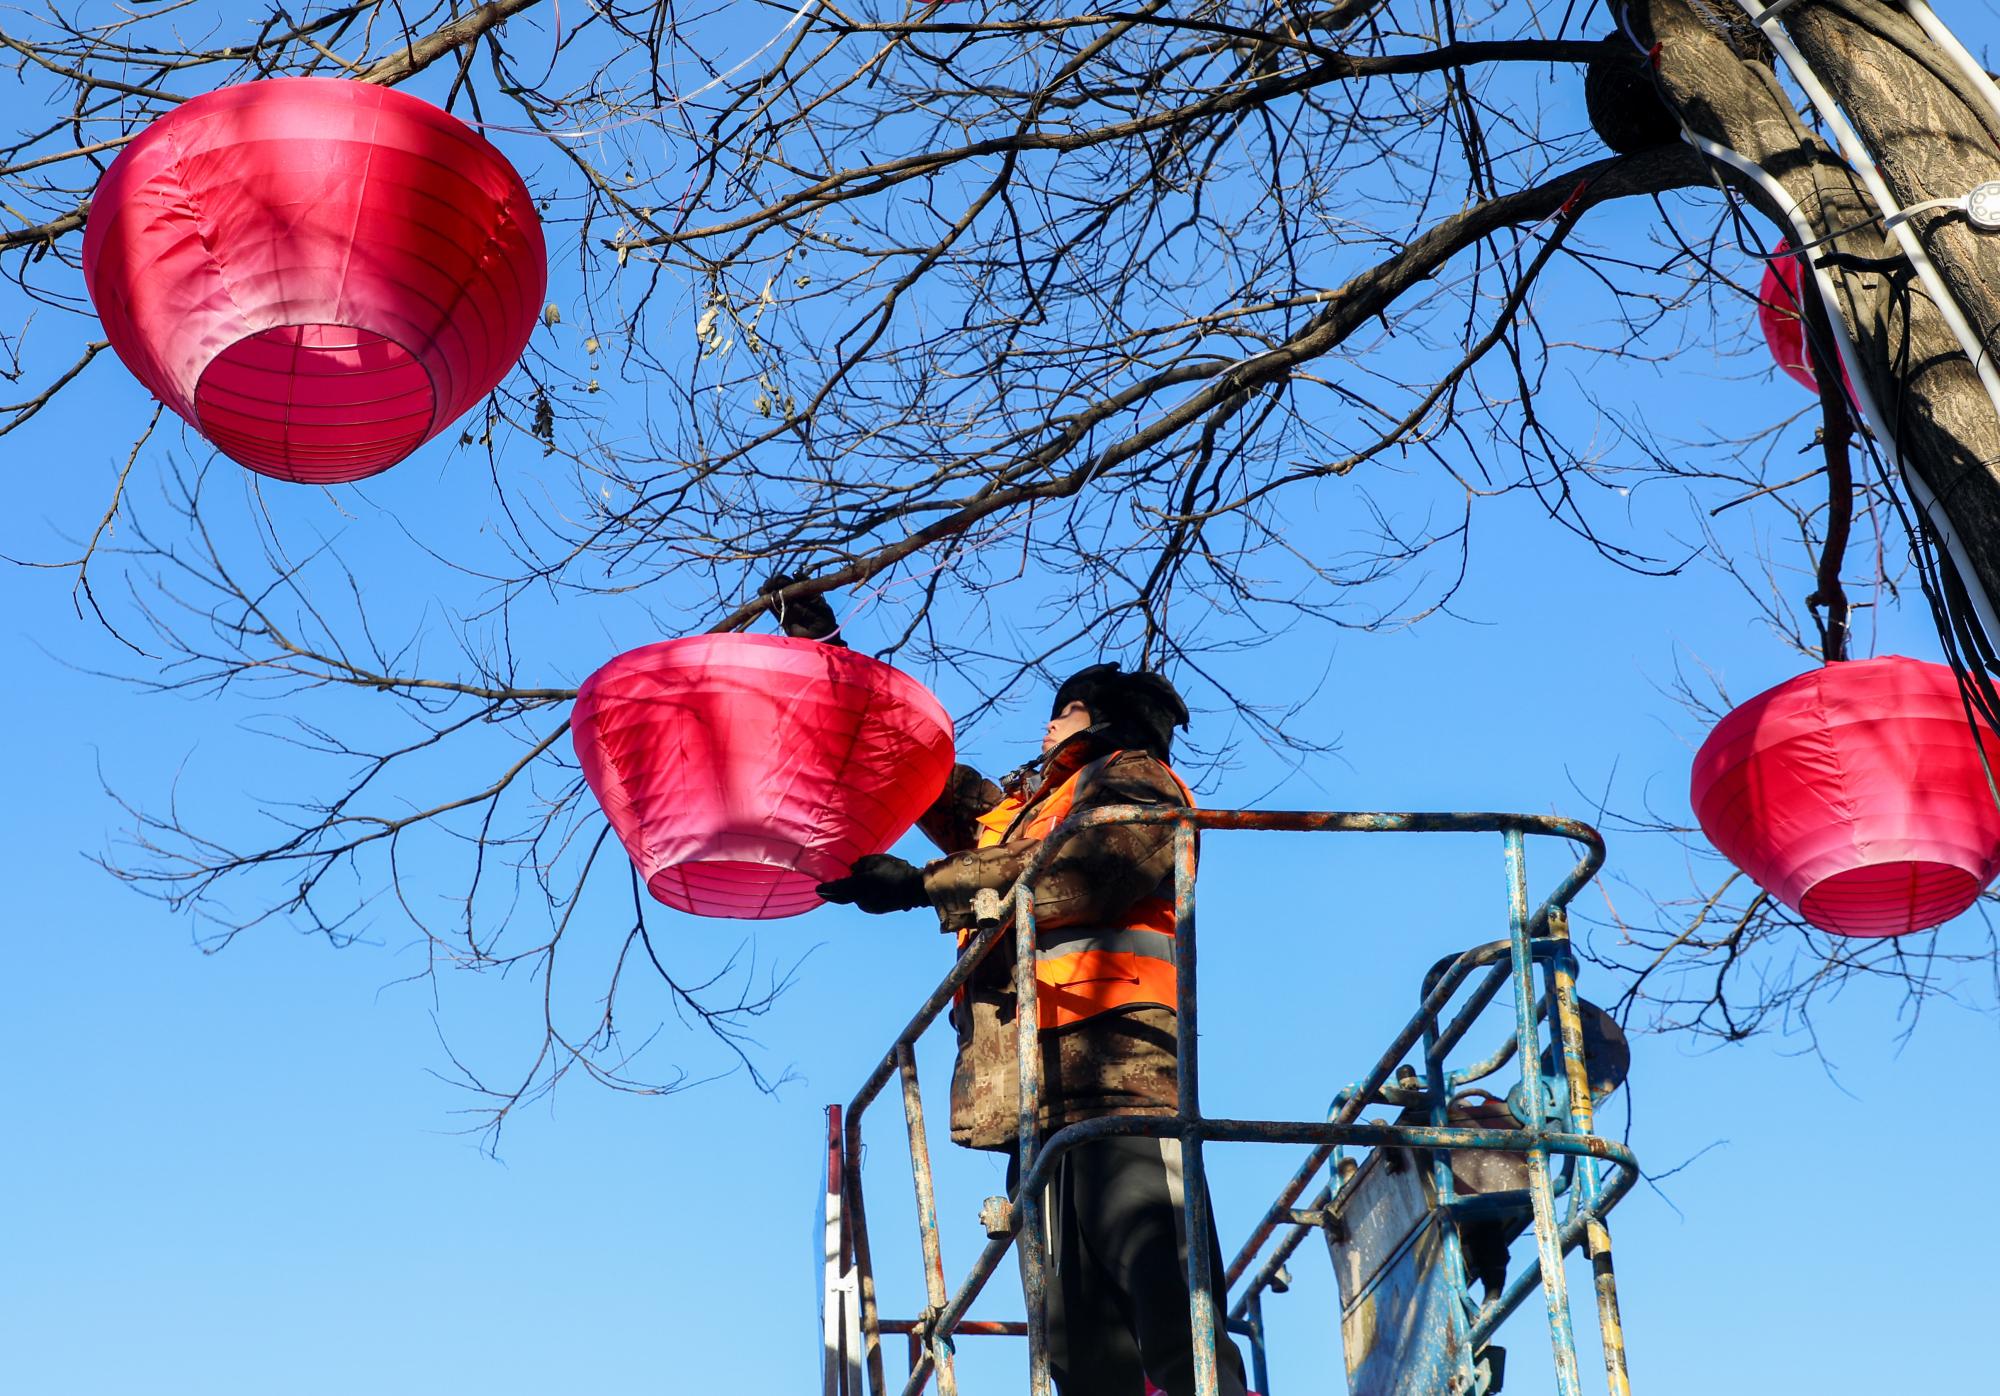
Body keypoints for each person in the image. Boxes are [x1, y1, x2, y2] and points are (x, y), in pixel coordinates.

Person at [810, 637, 1251, 1396]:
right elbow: (924, 779)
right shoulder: (1023, 813)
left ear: (1101, 722)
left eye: (1063, 713)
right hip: (1036, 1098)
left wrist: (925, 884)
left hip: (1123, 1082)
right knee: (1075, 1344)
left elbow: (1095, 867)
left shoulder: (1138, 783)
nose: (1045, 729)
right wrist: (824, 655)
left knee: (1170, 1306)